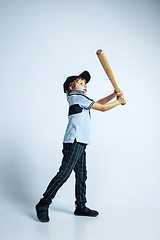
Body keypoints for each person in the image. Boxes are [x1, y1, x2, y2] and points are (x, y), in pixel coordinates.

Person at [35, 70, 125, 222]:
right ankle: (43, 204)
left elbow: (99, 103)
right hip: (74, 141)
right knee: (63, 174)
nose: (85, 86)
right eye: (81, 83)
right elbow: (102, 108)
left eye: (85, 84)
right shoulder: (76, 97)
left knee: (82, 175)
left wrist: (113, 95)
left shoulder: (81, 99)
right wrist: (118, 101)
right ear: (71, 87)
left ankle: (80, 207)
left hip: (81, 142)